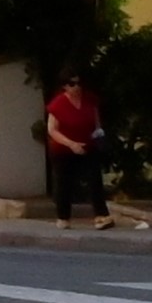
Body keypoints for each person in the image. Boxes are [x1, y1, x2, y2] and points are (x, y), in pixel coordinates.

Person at [40, 71, 110, 226]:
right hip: (63, 149)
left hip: (88, 144)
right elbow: (52, 130)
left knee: (94, 179)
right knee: (64, 182)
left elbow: (96, 122)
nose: (76, 87)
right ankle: (63, 217)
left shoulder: (90, 100)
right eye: (72, 84)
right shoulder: (58, 104)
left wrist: (99, 136)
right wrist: (71, 144)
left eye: (79, 83)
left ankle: (101, 215)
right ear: (65, 86)